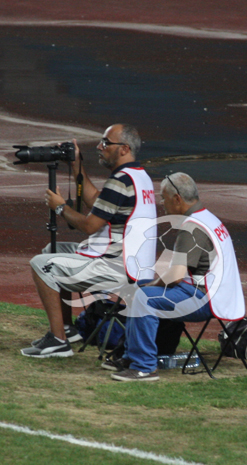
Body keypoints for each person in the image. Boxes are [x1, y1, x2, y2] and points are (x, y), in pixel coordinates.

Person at [23, 124, 157, 358]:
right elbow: (96, 200)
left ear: (124, 149)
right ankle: (67, 329)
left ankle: (57, 342)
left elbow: (89, 225)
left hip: (117, 265)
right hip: (131, 263)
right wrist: (76, 165)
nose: (99, 146)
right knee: (52, 250)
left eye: (106, 143)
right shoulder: (138, 176)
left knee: (40, 263)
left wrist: (61, 207)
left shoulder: (121, 181)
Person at [108, 172, 245, 382]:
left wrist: (151, 286)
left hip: (205, 298)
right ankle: (129, 356)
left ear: (177, 199)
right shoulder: (206, 217)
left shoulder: (192, 227)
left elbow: (176, 276)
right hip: (213, 293)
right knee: (139, 288)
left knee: (144, 297)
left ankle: (143, 367)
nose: (162, 203)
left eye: (164, 198)